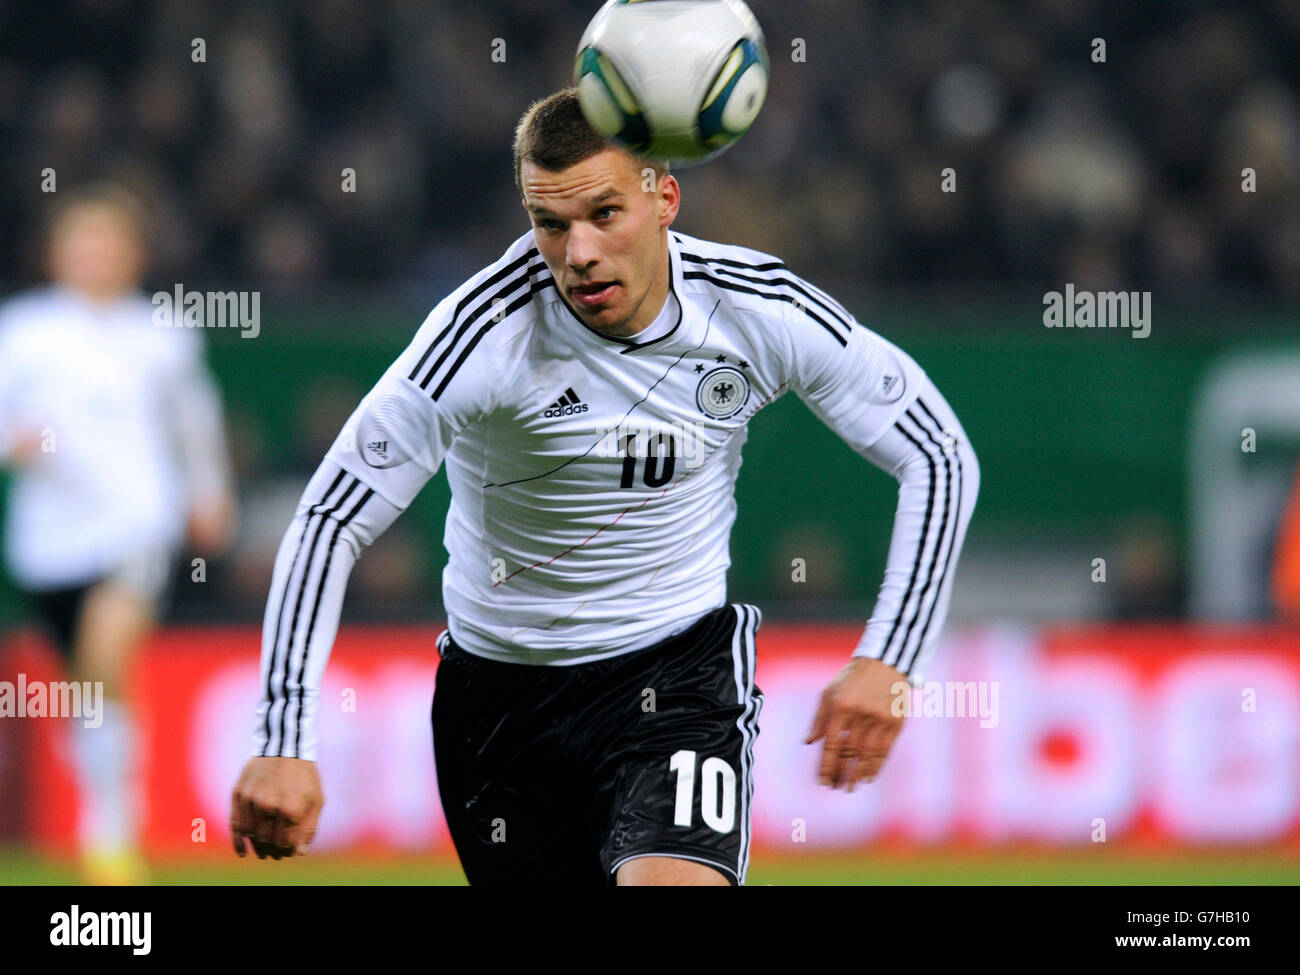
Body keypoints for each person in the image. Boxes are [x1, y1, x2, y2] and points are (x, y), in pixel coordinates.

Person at [231, 89, 980, 886]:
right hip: (501, 701)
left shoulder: (758, 310)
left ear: (665, 198)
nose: (578, 251)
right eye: (550, 224)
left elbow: (939, 454)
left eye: (604, 213)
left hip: (678, 669)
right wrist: (282, 738)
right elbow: (330, 518)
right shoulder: (480, 335)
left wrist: (891, 660)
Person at [0, 184, 236, 884]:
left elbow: (194, 423)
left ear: (134, 253)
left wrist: (208, 494)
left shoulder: (160, 336)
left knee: (107, 655)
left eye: (108, 241)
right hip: (47, 541)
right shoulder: (24, 331)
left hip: (137, 525)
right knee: (86, 688)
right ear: (55, 252)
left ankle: (110, 829)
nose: (94, 254)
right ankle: (104, 800)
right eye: (81, 240)